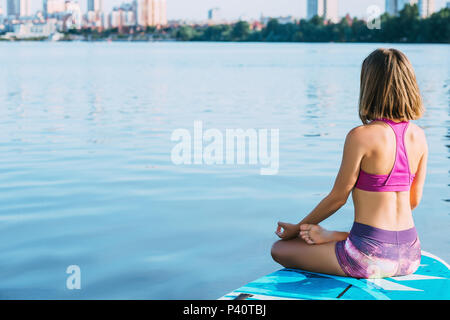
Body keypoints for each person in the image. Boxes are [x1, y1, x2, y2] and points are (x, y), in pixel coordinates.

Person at [271, 48, 427, 279]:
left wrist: (297, 227)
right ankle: (335, 236)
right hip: (411, 255)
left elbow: (337, 198)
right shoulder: (419, 136)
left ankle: (338, 240)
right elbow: (413, 201)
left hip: (369, 259)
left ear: (369, 87)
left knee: (280, 249)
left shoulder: (361, 136)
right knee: (369, 241)